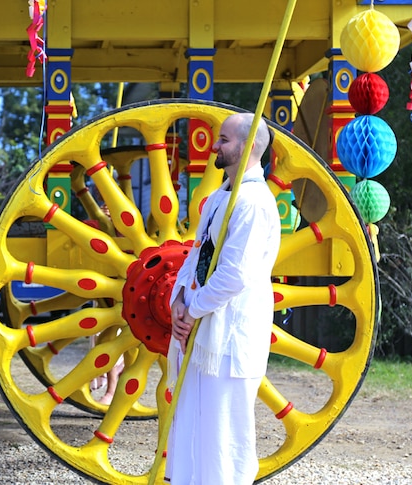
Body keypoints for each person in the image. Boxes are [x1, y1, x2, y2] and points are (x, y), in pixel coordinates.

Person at [166, 113, 281, 485]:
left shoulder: (252, 203)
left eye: (224, 140)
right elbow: (196, 253)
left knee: (224, 435)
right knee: (193, 428)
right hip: (200, 331)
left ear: (247, 147)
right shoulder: (221, 196)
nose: (215, 146)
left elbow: (234, 275)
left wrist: (193, 312)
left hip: (229, 338)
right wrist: (179, 301)